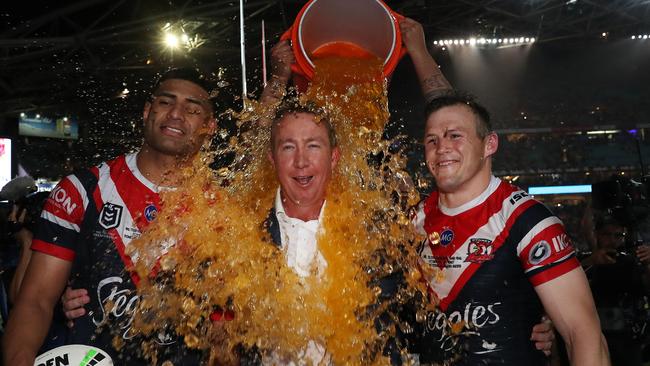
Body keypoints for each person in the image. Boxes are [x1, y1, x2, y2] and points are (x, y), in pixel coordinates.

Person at [2, 67, 217, 365]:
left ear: (209, 126)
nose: (177, 114)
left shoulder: (221, 209)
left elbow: (227, 324)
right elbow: (35, 300)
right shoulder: (81, 191)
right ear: (147, 111)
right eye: (166, 102)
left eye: (192, 109)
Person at [409, 90, 609, 365]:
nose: (441, 147)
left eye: (455, 135)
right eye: (432, 140)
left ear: (489, 144)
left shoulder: (527, 220)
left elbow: (583, 334)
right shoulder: (411, 221)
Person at [580, 215, 649, 366]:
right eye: (606, 234)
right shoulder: (584, 260)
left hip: (627, 338)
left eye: (618, 235)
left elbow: (645, 289)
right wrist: (591, 262)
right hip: (593, 336)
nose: (612, 240)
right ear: (597, 234)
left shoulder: (632, 261)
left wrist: (648, 265)